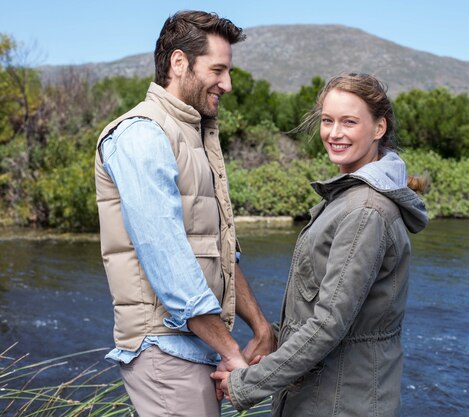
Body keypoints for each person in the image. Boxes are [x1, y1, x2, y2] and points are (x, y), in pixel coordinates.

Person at [212, 73, 429, 416]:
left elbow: (329, 324)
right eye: (328, 121)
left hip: (338, 404)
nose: (334, 133)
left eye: (349, 122)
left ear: (379, 128)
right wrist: (274, 335)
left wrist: (245, 383)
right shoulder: (350, 200)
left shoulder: (364, 211)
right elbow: (323, 313)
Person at [94, 11, 275, 417]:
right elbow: (169, 263)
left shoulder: (194, 133)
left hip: (194, 348)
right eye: (218, 70)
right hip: (163, 351)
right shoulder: (141, 135)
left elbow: (216, 250)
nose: (227, 84)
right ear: (179, 63)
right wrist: (233, 354)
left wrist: (261, 328)